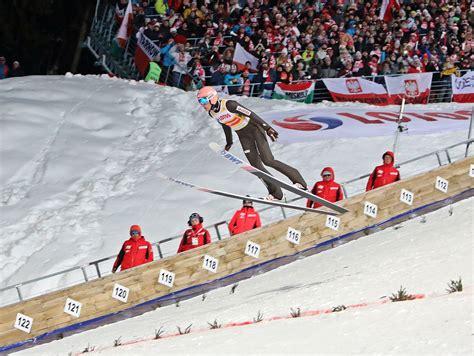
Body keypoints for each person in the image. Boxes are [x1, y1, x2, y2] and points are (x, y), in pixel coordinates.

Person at [196, 86, 307, 201]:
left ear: (212, 98)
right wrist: (229, 142)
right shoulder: (212, 113)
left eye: (203, 101)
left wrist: (268, 128)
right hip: (243, 135)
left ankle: (299, 181)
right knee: (256, 167)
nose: (202, 104)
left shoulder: (230, 105)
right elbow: (225, 124)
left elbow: (250, 114)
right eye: (200, 102)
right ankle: (276, 193)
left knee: (268, 160)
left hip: (255, 129)